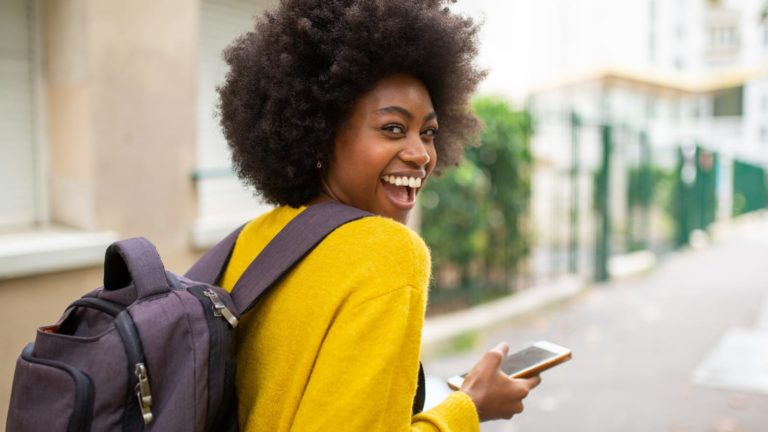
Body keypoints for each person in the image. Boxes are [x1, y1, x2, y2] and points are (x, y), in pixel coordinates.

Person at [216, 1, 540, 430]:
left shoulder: (251, 240)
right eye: (392, 128)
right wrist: (469, 408)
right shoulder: (386, 253)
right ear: (321, 135)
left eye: (428, 132)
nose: (420, 154)